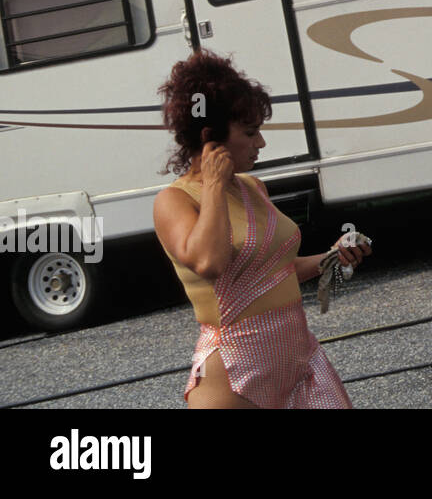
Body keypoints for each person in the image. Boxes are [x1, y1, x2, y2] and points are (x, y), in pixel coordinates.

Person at [153, 50, 370, 409]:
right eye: (251, 132)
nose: (261, 143)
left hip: (299, 358)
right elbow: (209, 262)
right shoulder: (175, 201)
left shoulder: (253, 187)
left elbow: (273, 271)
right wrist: (213, 186)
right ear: (211, 138)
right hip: (234, 374)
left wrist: (331, 257)